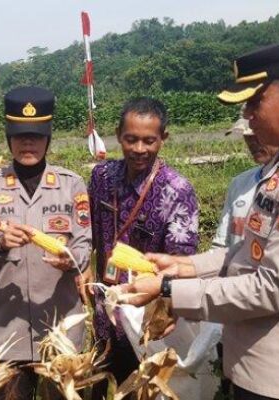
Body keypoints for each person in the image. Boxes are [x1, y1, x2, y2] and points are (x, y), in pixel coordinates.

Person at [123, 38, 279, 400]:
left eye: (254, 102)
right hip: (257, 367)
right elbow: (248, 253)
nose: (247, 116)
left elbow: (269, 288)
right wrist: (183, 266)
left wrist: (168, 290)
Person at [0, 86, 91, 399]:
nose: (28, 142)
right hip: (5, 336)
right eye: (20, 135)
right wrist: (0, 245)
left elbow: (83, 246)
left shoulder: (71, 185)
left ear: (48, 137)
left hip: (59, 333)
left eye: (36, 135)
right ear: (8, 136)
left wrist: (72, 261)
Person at [87, 97, 201, 397]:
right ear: (117, 135)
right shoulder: (101, 178)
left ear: (164, 137)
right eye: (131, 139)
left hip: (146, 324)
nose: (139, 149)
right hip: (104, 314)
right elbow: (87, 234)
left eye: (149, 141)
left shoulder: (177, 191)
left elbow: (180, 264)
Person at [212, 116, 279, 248]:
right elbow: (221, 243)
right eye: (246, 136)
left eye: (256, 135)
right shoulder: (239, 183)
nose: (251, 143)